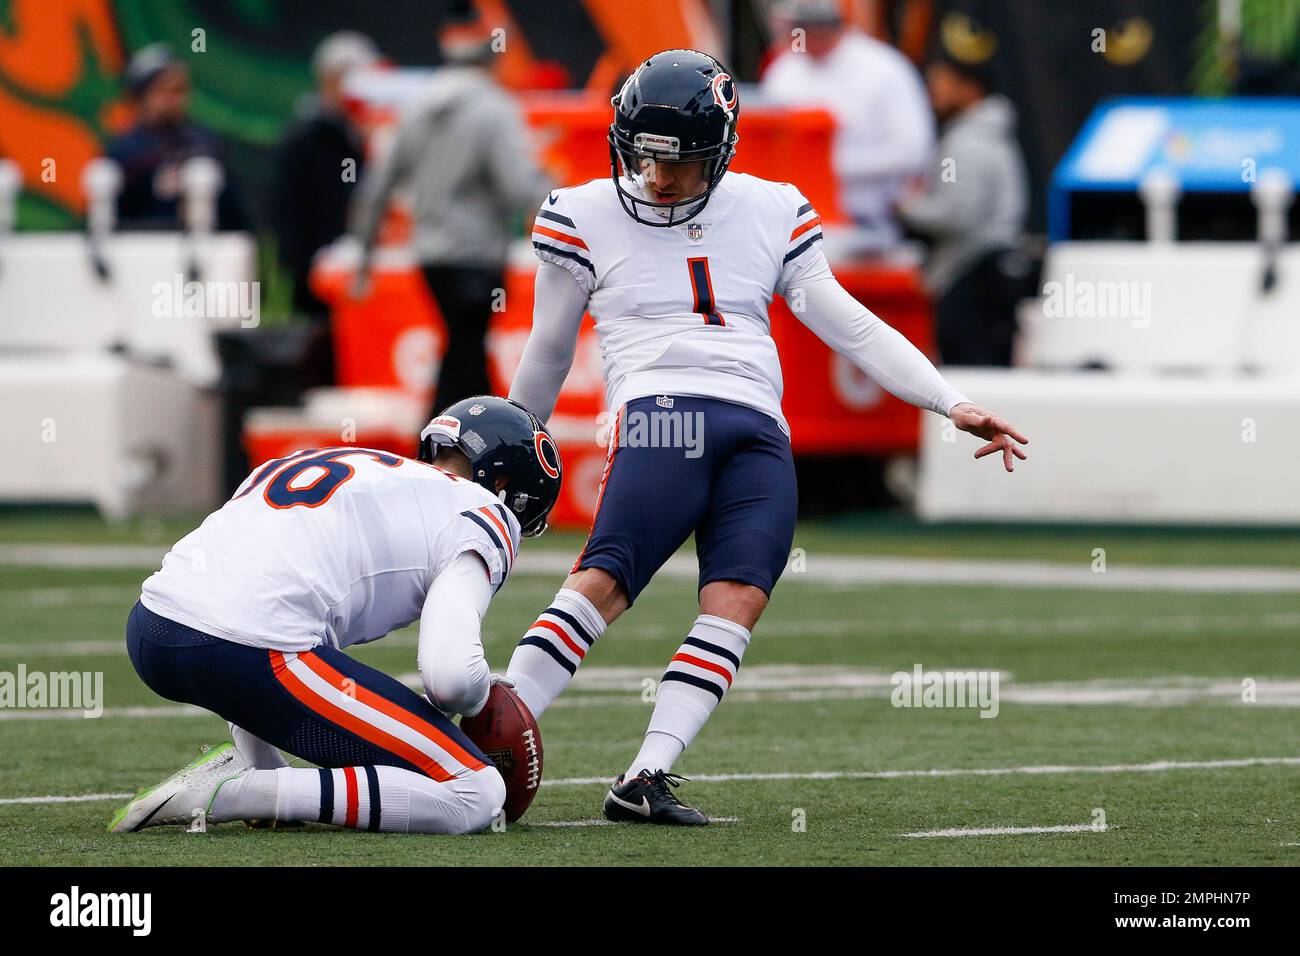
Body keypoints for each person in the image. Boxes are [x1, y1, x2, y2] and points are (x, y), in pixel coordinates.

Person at [504, 49, 1028, 825]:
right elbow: (548, 347)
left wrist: (948, 402)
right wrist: (516, 444)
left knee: (738, 597)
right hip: (663, 411)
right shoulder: (582, 212)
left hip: (758, 428)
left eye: (680, 161)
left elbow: (847, 320)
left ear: (722, 152)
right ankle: (490, 734)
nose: (658, 177)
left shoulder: (773, 205)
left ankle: (646, 775)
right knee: (606, 581)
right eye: (645, 155)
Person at [109, 396, 562, 836]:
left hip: (153, 629)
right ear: (508, 491)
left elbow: (251, 582)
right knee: (476, 793)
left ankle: (256, 767)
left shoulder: (354, 464)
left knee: (290, 625)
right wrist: (484, 697)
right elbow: (452, 680)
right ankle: (238, 792)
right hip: (244, 650)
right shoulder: (486, 512)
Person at [351, 14, 549, 416]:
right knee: (465, 350)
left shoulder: (416, 108)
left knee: (464, 347)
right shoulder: (495, 109)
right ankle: (451, 438)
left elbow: (378, 185)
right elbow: (518, 188)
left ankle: (469, 434)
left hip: (431, 257)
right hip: (477, 256)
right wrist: (554, 197)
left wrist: (364, 256)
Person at [760, 0, 933, 248]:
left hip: (868, 220)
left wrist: (828, 165)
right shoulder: (785, 71)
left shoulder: (883, 68)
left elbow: (913, 151)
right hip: (792, 221)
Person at [897, 54, 1029, 366]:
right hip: (984, 274)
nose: (934, 93)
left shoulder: (967, 143)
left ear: (969, 89)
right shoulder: (986, 136)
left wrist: (906, 206)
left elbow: (956, 216)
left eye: (941, 84)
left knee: (971, 379)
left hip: (971, 277)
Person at [270, 31, 378, 319]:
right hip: (317, 285)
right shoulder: (304, 140)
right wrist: (306, 267)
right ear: (330, 81)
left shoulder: (364, 135)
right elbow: (288, 212)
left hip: (359, 278)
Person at [107, 44, 250, 231]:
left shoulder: (206, 146)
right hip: (142, 253)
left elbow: (235, 216)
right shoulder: (123, 154)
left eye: (180, 90)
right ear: (141, 96)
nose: (174, 100)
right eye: (164, 91)